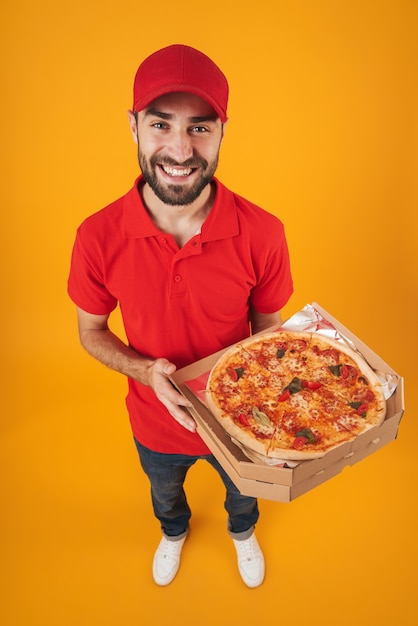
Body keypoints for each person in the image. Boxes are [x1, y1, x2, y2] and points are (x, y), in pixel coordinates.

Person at [68, 44, 293, 588]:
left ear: (221, 132)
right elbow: (90, 331)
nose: (179, 147)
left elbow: (270, 329)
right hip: (154, 421)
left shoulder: (264, 232)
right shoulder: (96, 237)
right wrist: (147, 373)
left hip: (242, 425)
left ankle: (243, 534)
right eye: (161, 124)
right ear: (134, 126)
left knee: (244, 497)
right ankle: (173, 532)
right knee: (165, 494)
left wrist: (276, 411)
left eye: (199, 127)